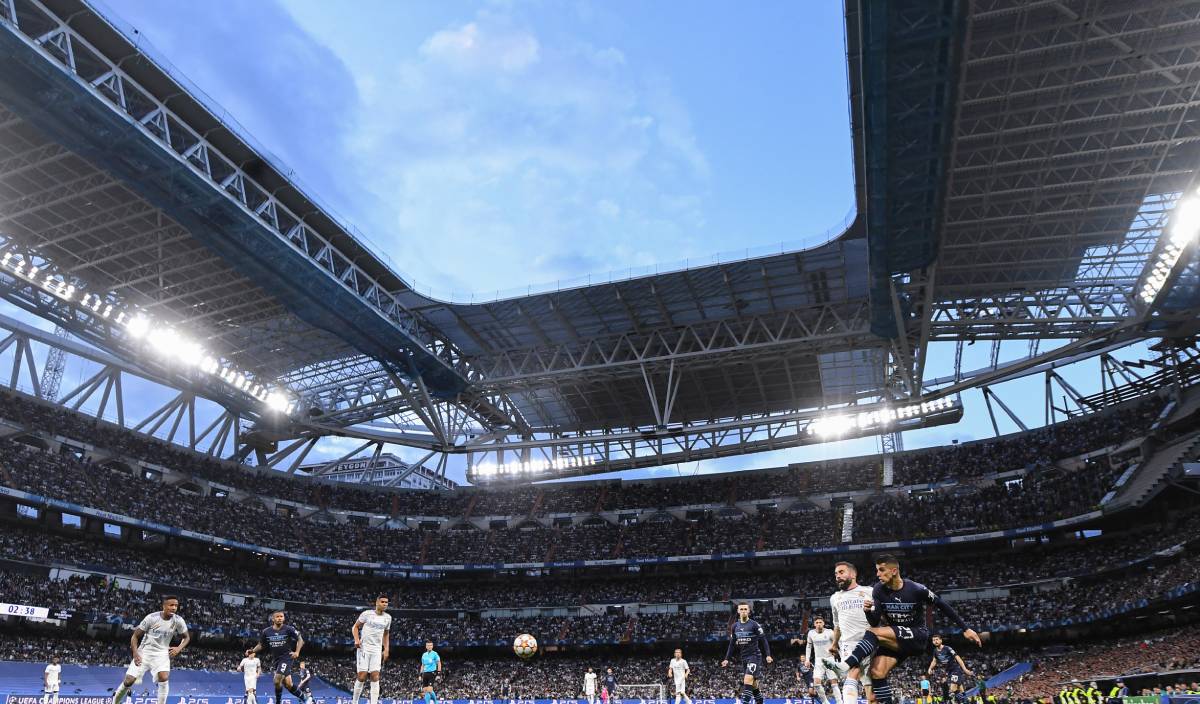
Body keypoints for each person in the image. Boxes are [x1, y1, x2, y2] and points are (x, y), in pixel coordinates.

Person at [822, 555, 981, 704]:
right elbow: (874, 620)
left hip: (916, 637)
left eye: (881, 570)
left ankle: (846, 664)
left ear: (894, 571)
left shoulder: (916, 589)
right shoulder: (878, 590)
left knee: (873, 632)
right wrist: (867, 611)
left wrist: (965, 629)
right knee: (877, 672)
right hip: (896, 641)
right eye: (876, 570)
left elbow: (942, 605)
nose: (877, 574)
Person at [112, 595, 189, 704]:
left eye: (176, 606)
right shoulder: (151, 618)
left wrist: (179, 648)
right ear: (164, 606)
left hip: (162, 653)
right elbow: (135, 636)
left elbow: (186, 637)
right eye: (171, 605)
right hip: (144, 652)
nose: (174, 608)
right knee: (129, 681)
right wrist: (135, 653)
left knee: (164, 677)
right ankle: (114, 702)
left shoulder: (178, 620)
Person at [829, 561, 875, 704]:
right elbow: (837, 625)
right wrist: (835, 644)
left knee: (872, 693)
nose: (837, 576)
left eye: (841, 572)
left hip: (872, 643)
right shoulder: (835, 598)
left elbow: (881, 616)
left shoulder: (870, 591)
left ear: (853, 574)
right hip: (849, 644)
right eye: (836, 573)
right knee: (853, 671)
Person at [245, 611, 311, 704]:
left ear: (284, 618)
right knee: (288, 684)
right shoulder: (266, 631)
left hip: (286, 658)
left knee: (277, 680)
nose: (280, 618)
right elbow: (261, 645)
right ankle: (305, 698)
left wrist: (297, 652)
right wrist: (252, 651)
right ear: (273, 619)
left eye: (281, 616)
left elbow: (300, 640)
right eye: (277, 617)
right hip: (276, 660)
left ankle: (278, 702)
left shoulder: (289, 629)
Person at [720, 602, 774, 704]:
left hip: (754, 656)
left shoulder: (754, 624)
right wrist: (726, 659)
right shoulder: (734, 626)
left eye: (745, 609)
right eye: (741, 609)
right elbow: (731, 644)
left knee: (747, 680)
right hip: (744, 658)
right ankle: (760, 701)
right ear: (738, 611)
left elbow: (764, 640)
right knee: (753, 685)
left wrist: (768, 655)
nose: (743, 611)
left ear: (749, 611)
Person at [352, 596, 393, 704]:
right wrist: (356, 640)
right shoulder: (367, 614)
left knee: (375, 676)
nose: (385, 604)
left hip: (377, 649)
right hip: (364, 647)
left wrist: (386, 649)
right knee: (362, 675)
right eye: (382, 602)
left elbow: (386, 634)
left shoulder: (388, 618)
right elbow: (355, 627)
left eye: (386, 602)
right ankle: (354, 701)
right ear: (377, 602)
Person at [928, 635, 974, 703]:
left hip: (955, 670)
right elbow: (934, 661)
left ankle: (965, 701)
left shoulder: (947, 648)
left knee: (952, 689)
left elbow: (957, 657)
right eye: (934, 640)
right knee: (960, 688)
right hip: (949, 671)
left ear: (941, 640)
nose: (935, 641)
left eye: (937, 639)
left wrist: (965, 669)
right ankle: (965, 700)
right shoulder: (935, 651)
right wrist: (930, 668)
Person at [806, 617, 842, 704]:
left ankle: (840, 702)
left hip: (829, 659)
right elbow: (809, 646)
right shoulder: (811, 633)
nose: (818, 624)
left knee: (834, 683)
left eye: (820, 622)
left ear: (823, 623)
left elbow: (838, 644)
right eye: (817, 622)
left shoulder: (829, 632)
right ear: (814, 624)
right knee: (816, 683)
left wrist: (842, 658)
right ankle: (825, 702)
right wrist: (807, 659)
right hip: (818, 660)